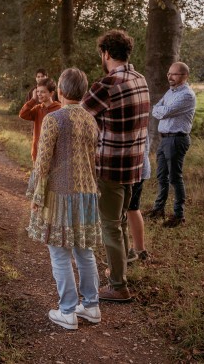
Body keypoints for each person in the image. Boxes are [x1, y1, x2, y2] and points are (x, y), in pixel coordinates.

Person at [27, 68, 101, 330]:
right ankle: (91, 306)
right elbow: (93, 161)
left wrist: (36, 195)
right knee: (85, 252)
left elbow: (43, 162)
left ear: (60, 90)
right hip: (87, 193)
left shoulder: (54, 119)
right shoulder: (91, 120)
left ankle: (67, 311)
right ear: (83, 90)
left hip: (60, 194)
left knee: (59, 253)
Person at [81, 29, 150, 302]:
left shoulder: (107, 85)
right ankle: (118, 270)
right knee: (119, 222)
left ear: (106, 53)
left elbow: (79, 116)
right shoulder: (140, 79)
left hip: (110, 166)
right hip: (133, 166)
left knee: (110, 225)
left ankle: (118, 286)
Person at [145, 61, 196, 227]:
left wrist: (161, 111)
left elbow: (163, 112)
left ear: (184, 76)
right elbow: (156, 108)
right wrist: (161, 111)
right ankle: (158, 209)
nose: (170, 76)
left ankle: (178, 216)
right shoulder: (171, 92)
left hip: (176, 139)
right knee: (161, 176)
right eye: (169, 73)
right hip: (165, 138)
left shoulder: (186, 95)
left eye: (174, 74)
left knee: (175, 177)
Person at [19, 78, 62, 162]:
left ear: (51, 93)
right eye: (38, 91)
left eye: (43, 92)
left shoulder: (59, 109)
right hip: (38, 153)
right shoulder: (37, 109)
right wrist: (33, 100)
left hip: (54, 155)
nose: (39, 94)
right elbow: (22, 114)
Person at [126, 132, 151, 263]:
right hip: (140, 166)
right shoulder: (141, 113)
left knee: (130, 209)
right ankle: (139, 250)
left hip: (134, 168)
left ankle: (137, 250)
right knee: (132, 208)